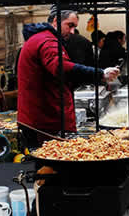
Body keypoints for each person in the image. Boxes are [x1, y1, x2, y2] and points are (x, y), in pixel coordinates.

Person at [17, 9, 119, 148]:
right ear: (55, 21)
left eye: (74, 27)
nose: (72, 32)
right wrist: (100, 73)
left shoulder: (42, 39)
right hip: (44, 122)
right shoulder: (47, 41)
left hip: (42, 119)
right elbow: (61, 67)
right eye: (69, 25)